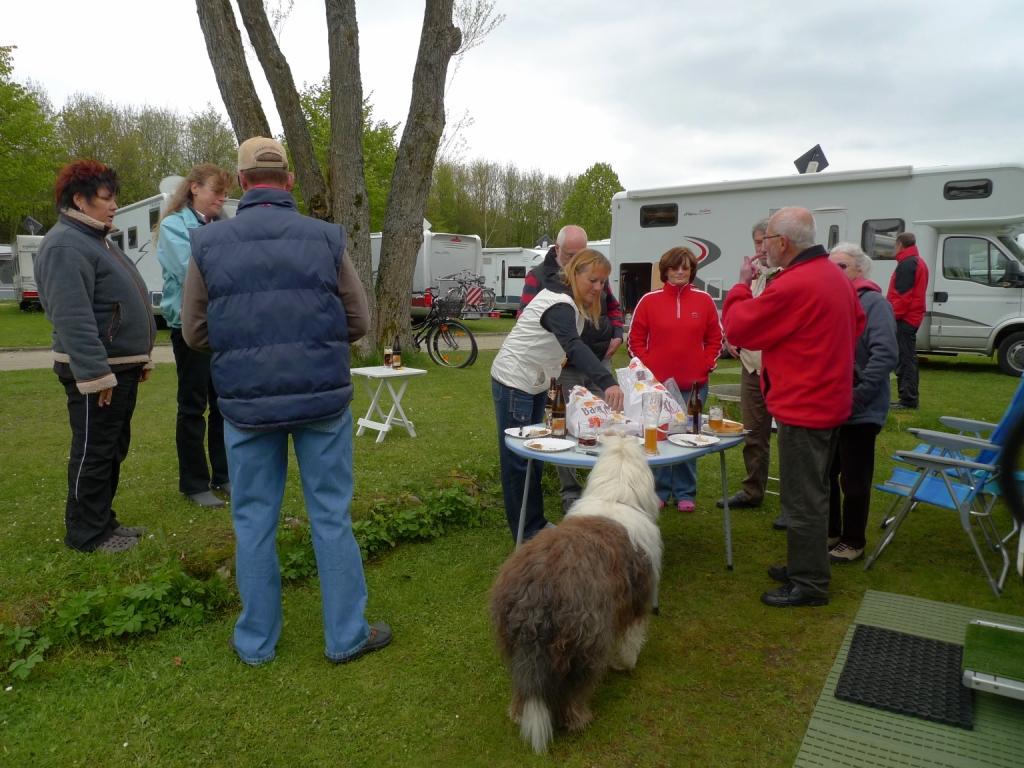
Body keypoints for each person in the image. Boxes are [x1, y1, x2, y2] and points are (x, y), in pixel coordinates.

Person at [181, 137, 390, 665]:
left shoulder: (208, 242)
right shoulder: (325, 237)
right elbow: (359, 320)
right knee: (331, 516)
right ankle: (346, 635)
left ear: (241, 181)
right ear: (289, 181)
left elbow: (194, 331)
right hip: (321, 400)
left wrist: (243, 345)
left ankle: (256, 642)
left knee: (253, 521)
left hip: (247, 402)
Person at [723, 207, 864, 608]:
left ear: (782, 242)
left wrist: (741, 285)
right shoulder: (833, 276)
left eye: (767, 240)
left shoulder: (795, 283)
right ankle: (806, 564)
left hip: (805, 406)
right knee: (813, 491)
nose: (763, 247)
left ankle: (810, 583)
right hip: (828, 401)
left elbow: (739, 327)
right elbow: (857, 323)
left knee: (803, 498)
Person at [34, 160, 156, 554]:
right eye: (106, 197)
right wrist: (96, 374)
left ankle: (103, 521)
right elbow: (72, 317)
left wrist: (139, 357)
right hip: (96, 374)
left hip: (119, 367)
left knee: (111, 449)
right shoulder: (65, 245)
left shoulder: (95, 239)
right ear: (79, 199)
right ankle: (86, 534)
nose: (114, 205)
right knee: (94, 452)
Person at [493, 248, 626, 541]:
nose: (599, 288)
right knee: (518, 461)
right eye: (593, 280)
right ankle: (527, 532)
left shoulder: (567, 298)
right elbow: (574, 346)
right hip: (516, 381)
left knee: (535, 454)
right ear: (575, 273)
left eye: (603, 282)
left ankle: (535, 524)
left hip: (535, 381)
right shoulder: (559, 304)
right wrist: (608, 382)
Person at [519, 224, 625, 512]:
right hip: (564, 366)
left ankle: (603, 486)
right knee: (562, 425)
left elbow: (613, 307)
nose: (577, 259)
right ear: (557, 249)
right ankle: (571, 490)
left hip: (599, 360)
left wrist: (617, 333)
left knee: (608, 421)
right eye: (570, 254)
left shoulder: (595, 273)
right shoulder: (539, 277)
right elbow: (526, 316)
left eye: (582, 253)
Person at [157, 164, 232, 508]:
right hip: (191, 327)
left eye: (225, 192)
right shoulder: (174, 226)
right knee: (192, 406)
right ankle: (194, 483)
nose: (222, 198)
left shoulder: (223, 226)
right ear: (194, 188)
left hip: (224, 326)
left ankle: (224, 475)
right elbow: (190, 271)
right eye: (217, 191)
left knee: (223, 404)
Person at [629, 246, 722, 511]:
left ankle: (685, 493)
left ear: (692, 271)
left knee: (688, 439)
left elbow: (715, 338)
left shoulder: (704, 300)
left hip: (694, 387)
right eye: (674, 267)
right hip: (657, 388)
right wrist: (649, 371)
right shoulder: (648, 301)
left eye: (685, 267)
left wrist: (706, 365)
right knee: (658, 438)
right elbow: (635, 340)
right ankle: (659, 491)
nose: (680, 272)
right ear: (665, 271)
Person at [827, 243, 898, 563]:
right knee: (826, 473)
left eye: (841, 266)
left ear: (860, 269)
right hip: (830, 406)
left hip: (861, 408)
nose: (834, 272)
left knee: (854, 479)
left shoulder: (874, 303)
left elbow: (886, 355)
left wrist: (857, 397)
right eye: (830, 266)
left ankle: (853, 541)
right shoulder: (832, 299)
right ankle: (830, 531)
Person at [718, 219, 781, 524]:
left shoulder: (788, 276)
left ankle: (794, 504)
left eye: (766, 241)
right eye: (757, 242)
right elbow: (743, 316)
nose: (761, 248)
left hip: (781, 369)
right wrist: (732, 338)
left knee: (791, 438)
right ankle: (753, 490)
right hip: (751, 366)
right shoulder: (755, 277)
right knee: (753, 433)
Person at [886, 232, 927, 410]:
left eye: (895, 245)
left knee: (905, 360)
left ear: (900, 244)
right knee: (907, 358)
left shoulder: (907, 264)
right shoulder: (916, 261)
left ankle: (908, 399)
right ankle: (908, 397)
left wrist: (890, 317)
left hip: (905, 319)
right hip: (911, 317)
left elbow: (902, 297)